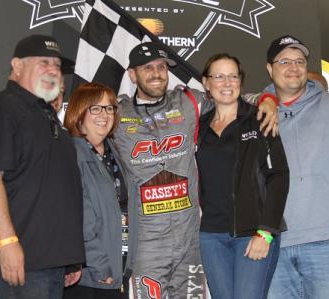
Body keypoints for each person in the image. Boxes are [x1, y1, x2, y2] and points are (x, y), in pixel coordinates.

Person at [113, 41, 278, 298]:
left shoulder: (188, 102)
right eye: (147, 68)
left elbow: (231, 96)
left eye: (161, 67)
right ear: (132, 75)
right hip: (147, 243)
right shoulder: (116, 114)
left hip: (190, 240)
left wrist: (267, 100)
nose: (156, 73)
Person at [0, 34, 84, 298]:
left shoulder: (46, 116)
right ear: (17, 66)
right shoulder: (2, 108)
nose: (53, 69)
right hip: (22, 262)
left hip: (50, 261)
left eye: (56, 65)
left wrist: (68, 257)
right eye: (44, 62)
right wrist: (7, 243)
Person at [196, 53, 289, 299]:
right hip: (211, 236)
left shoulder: (259, 118)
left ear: (241, 81)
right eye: (219, 76)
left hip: (253, 233)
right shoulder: (198, 126)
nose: (227, 83)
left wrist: (266, 232)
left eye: (233, 76)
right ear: (206, 83)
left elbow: (279, 176)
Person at [263, 35, 329, 299]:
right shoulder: (255, 112)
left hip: (326, 239)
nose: (293, 67)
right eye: (284, 61)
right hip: (274, 243)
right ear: (270, 68)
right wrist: (264, 99)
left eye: (299, 61)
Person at [62, 83, 136, 299]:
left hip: (116, 270)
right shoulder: (72, 153)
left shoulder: (113, 151)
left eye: (109, 108)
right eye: (95, 108)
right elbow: (80, 218)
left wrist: (124, 263)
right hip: (91, 276)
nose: (104, 114)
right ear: (79, 111)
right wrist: (99, 266)